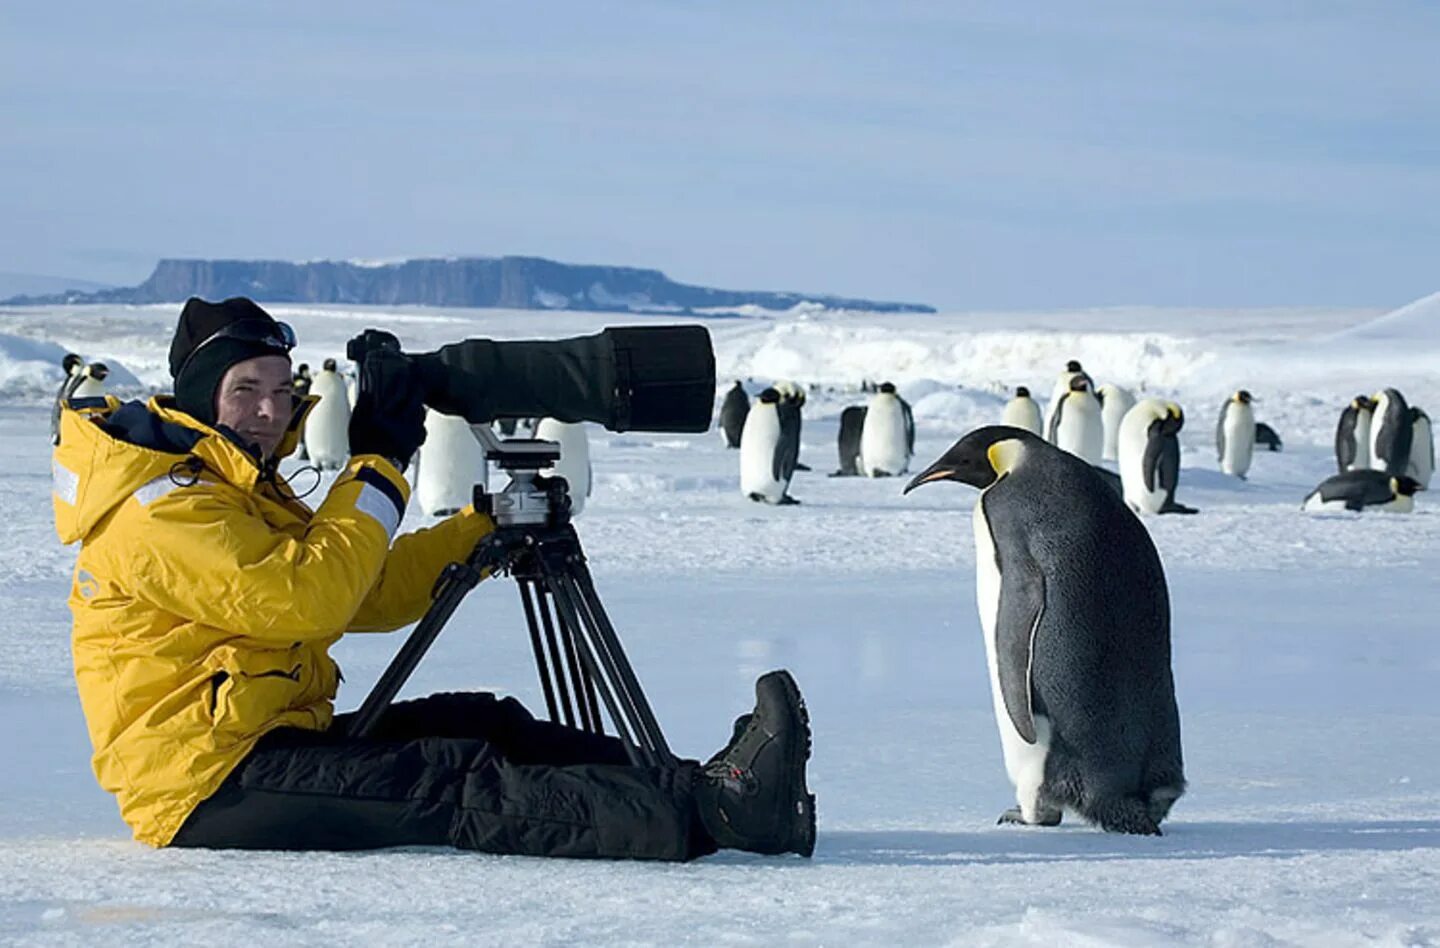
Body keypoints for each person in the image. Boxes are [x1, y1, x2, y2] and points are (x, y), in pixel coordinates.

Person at [52, 296, 816, 860]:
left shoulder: (236, 485)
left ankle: (712, 787)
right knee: (452, 779)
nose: (268, 410)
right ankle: (707, 819)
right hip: (203, 785)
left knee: (483, 720)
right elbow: (306, 598)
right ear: (199, 394)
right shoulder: (160, 506)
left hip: (267, 742)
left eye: (281, 391)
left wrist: (480, 530)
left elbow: (362, 590)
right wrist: (377, 462)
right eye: (246, 389)